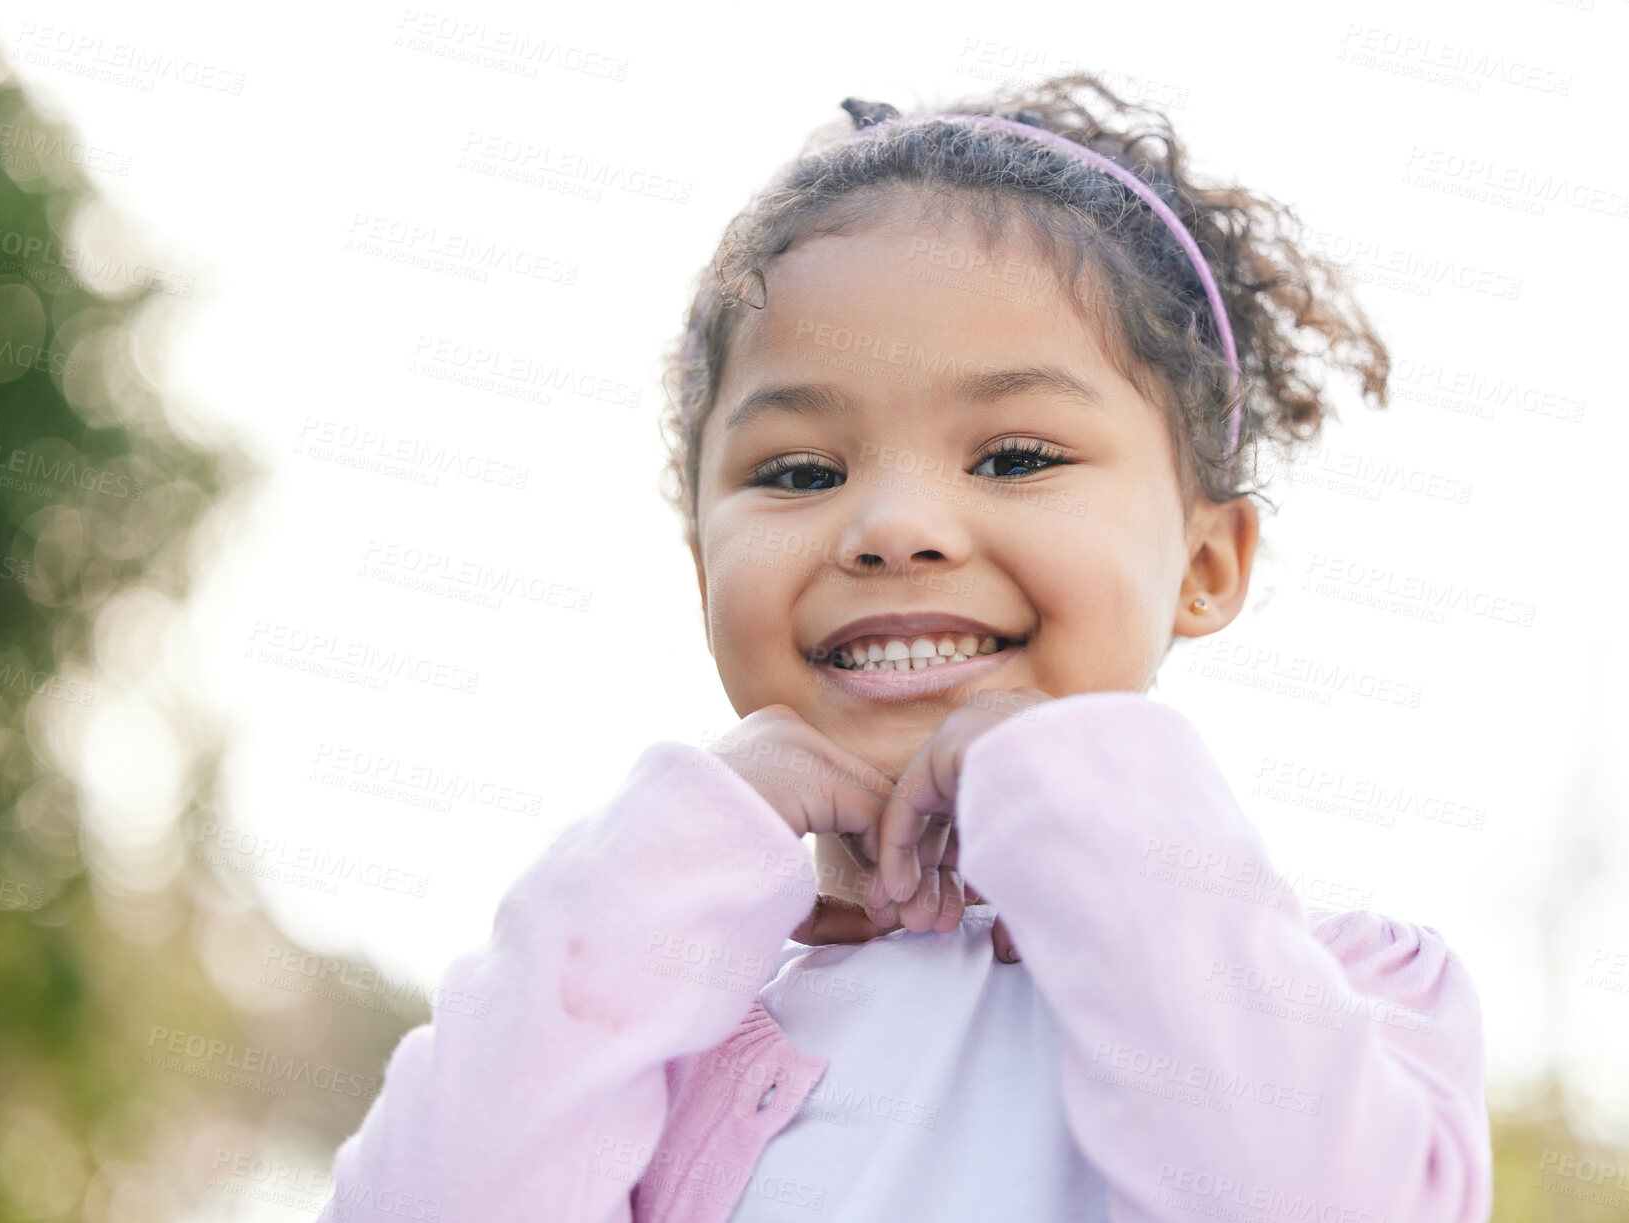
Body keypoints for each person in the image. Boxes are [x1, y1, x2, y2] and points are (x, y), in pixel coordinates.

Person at [316, 73, 1492, 1223]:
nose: (889, 528)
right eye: (799, 472)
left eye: (1016, 455)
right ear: (701, 564)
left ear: (1204, 563)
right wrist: (671, 853)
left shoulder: (1353, 1000)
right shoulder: (642, 1044)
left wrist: (1072, 789)